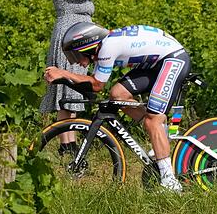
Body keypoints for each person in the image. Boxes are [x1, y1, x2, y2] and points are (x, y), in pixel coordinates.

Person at [44, 22, 191, 192]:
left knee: (153, 121)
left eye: (77, 57)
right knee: (117, 95)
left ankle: (170, 182)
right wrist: (63, 78)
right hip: (155, 64)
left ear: (88, 47)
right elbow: (94, 88)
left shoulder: (107, 47)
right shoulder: (106, 44)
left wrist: (63, 74)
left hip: (173, 60)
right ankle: (160, 136)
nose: (79, 63)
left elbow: (96, 86)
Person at [38, 0, 134, 156]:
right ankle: (66, 144)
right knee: (66, 87)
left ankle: (70, 141)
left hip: (81, 37)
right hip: (70, 37)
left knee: (74, 87)